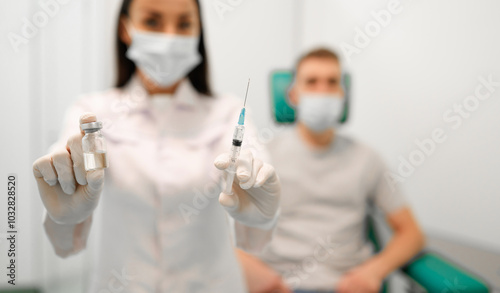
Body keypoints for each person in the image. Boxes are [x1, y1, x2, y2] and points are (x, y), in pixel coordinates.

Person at [31, 0, 281, 292]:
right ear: (125, 29)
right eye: (153, 22)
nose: (170, 37)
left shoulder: (227, 113)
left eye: (185, 24)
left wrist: (263, 214)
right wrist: (64, 215)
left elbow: (254, 168)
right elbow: (65, 239)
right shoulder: (92, 112)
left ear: (199, 33)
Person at [240, 48, 425, 293]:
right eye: (312, 82)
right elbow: (220, 234)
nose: (322, 91)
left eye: (332, 82)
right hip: (280, 284)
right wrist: (259, 277)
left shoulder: (367, 159)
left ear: (342, 94)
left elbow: (411, 233)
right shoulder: (261, 157)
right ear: (293, 94)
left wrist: (373, 271)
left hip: (347, 285)